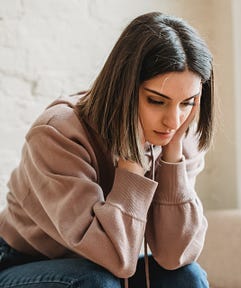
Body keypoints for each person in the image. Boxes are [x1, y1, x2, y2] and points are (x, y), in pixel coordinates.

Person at [0, 11, 214, 288]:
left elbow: (175, 256)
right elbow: (116, 257)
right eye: (156, 101)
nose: (173, 121)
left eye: (187, 102)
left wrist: (173, 160)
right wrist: (132, 164)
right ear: (123, 89)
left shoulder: (180, 136)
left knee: (189, 278)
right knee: (95, 282)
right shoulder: (57, 134)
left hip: (107, 268)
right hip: (23, 263)